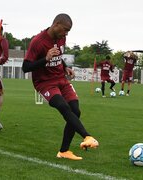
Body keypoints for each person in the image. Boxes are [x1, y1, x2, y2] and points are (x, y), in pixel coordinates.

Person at [22, 13, 99, 160]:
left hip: (61, 79)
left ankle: (64, 151)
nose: (66, 33)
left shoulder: (61, 38)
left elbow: (58, 56)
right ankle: (87, 136)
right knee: (64, 107)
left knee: (75, 110)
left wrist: (65, 67)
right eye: (64, 30)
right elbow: (25, 67)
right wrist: (45, 58)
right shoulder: (37, 42)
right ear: (56, 24)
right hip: (45, 83)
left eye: (68, 31)